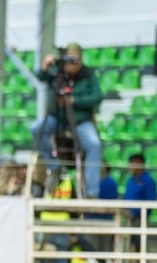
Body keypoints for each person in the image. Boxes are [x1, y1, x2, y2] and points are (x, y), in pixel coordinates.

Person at [31, 42, 104, 198]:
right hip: (57, 119)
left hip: (80, 121)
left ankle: (92, 192)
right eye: (68, 59)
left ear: (81, 59)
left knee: (94, 144)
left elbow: (97, 97)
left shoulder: (88, 75)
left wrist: (74, 100)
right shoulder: (58, 73)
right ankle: (54, 165)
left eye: (74, 59)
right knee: (36, 128)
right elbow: (40, 77)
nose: (70, 64)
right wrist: (45, 66)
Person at [123, 153, 157, 220]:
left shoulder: (148, 181)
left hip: (141, 218)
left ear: (141, 163)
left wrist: (138, 214)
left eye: (134, 163)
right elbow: (126, 197)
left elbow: (150, 200)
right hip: (127, 216)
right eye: (130, 163)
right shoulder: (130, 180)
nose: (131, 166)